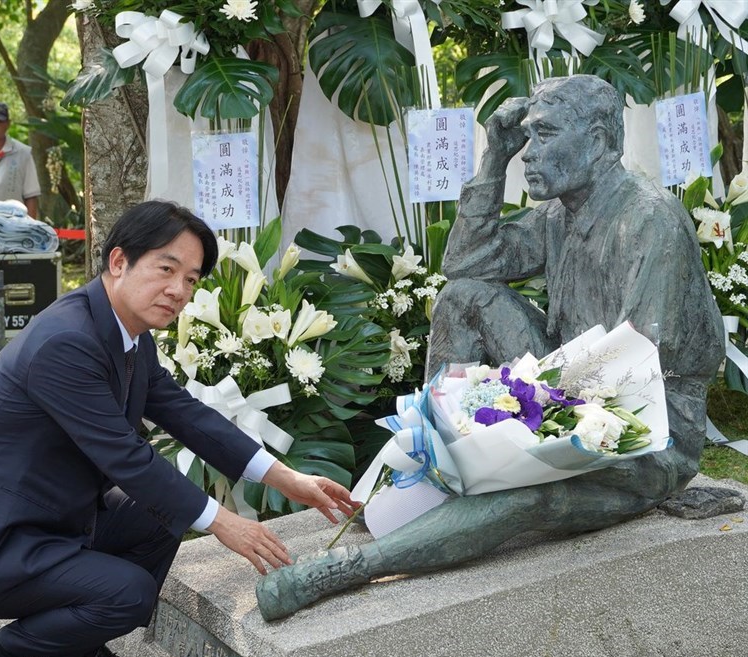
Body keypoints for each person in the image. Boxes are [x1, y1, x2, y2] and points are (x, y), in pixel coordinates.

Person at [254, 75, 725, 621]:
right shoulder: (561, 212)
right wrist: (493, 162)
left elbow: (637, 363)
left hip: (645, 430)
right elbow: (466, 265)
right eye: (529, 137)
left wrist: (520, 437)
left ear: (597, 142)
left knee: (529, 492)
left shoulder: (649, 220)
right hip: (568, 393)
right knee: (464, 297)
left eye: (544, 135)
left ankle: (351, 569)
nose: (532, 152)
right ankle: (437, 459)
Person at [0, 200, 358, 657]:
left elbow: (185, 414)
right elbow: (126, 456)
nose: (179, 292)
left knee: (155, 514)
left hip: (54, 517)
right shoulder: (67, 341)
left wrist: (288, 478)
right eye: (166, 269)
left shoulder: (126, 334)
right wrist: (225, 523)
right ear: (118, 261)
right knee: (128, 593)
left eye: (190, 279)